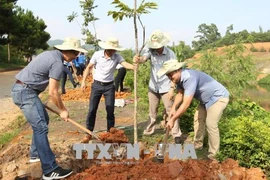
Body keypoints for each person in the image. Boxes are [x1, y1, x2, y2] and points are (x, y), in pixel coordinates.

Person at [11, 37, 87, 179]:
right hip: (25, 91)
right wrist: (63, 110)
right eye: (76, 54)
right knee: (40, 127)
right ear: (69, 52)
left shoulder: (49, 54)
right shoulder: (57, 63)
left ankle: (35, 154)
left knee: (43, 120)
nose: (76, 57)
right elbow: (53, 92)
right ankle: (50, 170)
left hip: (25, 90)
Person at [157, 59, 230, 159]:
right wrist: (173, 108)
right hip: (205, 101)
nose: (170, 78)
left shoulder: (189, 78)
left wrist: (173, 119)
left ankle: (213, 155)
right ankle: (198, 145)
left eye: (171, 75)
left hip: (218, 97)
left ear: (178, 70)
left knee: (211, 124)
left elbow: (186, 104)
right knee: (198, 119)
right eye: (167, 76)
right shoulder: (178, 79)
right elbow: (180, 94)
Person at [81, 37, 135, 143]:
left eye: (114, 50)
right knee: (92, 110)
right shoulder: (97, 55)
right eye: (110, 50)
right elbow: (89, 67)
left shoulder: (117, 57)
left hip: (109, 86)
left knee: (110, 110)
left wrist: (134, 67)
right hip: (96, 85)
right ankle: (88, 133)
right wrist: (83, 82)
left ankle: (110, 133)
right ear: (106, 48)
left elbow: (125, 64)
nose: (112, 52)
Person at [133, 30, 183, 144]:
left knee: (171, 110)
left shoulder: (170, 54)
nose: (156, 48)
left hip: (166, 86)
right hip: (153, 86)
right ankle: (149, 130)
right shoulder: (150, 51)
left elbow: (175, 72)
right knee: (152, 111)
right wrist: (138, 59)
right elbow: (144, 58)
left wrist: (172, 88)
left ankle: (176, 134)